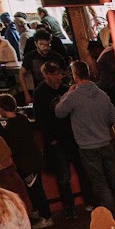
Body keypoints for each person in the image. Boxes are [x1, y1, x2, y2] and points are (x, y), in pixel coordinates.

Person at [55, 61, 115, 220]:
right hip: (106, 142)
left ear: (75, 75)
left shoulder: (73, 97)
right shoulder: (102, 95)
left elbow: (59, 112)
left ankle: (112, 216)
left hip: (87, 147)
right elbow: (113, 119)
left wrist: (67, 94)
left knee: (100, 182)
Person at [0, 94, 55, 225]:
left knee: (36, 190)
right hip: (33, 160)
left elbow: (10, 144)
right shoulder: (21, 118)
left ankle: (46, 217)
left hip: (27, 163)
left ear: (1, 108)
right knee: (34, 189)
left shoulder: (12, 125)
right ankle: (39, 212)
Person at [32, 62, 81, 220]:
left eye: (58, 74)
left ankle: (89, 200)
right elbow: (41, 120)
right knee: (63, 176)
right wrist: (51, 139)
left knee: (81, 170)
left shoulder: (66, 89)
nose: (57, 78)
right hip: (57, 140)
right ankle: (69, 207)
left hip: (72, 137)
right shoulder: (40, 93)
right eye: (53, 74)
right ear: (45, 75)